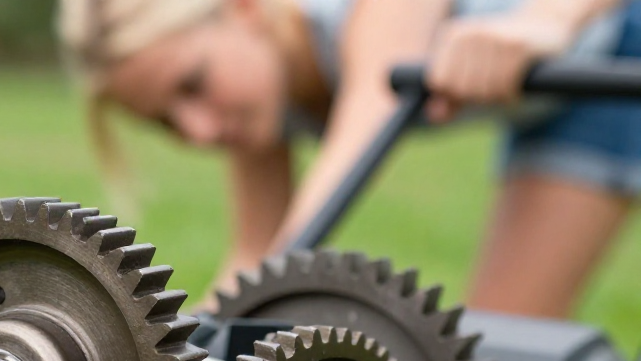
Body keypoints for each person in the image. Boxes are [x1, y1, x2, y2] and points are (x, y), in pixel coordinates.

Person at [57, 0, 638, 318]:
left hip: (612, 54)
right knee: (503, 360)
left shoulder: (369, 12)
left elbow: (301, 239)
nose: (199, 129)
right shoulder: (260, 98)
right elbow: (256, 258)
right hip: (547, 107)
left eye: (193, 84)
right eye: (165, 120)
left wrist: (547, 19)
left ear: (244, 9)